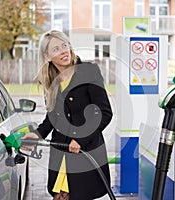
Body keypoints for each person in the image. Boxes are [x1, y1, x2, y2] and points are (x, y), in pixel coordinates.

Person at [22, 30, 113, 200]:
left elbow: (104, 112)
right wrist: (36, 135)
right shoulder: (50, 80)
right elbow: (53, 117)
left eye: (65, 45)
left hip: (85, 153)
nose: (64, 51)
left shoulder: (88, 71)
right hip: (61, 153)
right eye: (56, 49)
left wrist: (81, 139)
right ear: (47, 56)